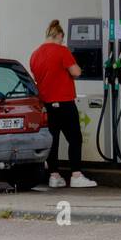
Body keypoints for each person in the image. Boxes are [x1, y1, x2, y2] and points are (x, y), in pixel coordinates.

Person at [28, 20, 96, 189]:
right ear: (59, 35)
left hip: (46, 104)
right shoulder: (62, 51)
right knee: (74, 138)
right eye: (61, 39)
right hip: (64, 102)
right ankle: (76, 175)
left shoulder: (35, 54)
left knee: (53, 139)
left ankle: (54, 175)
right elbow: (76, 72)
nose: (62, 42)